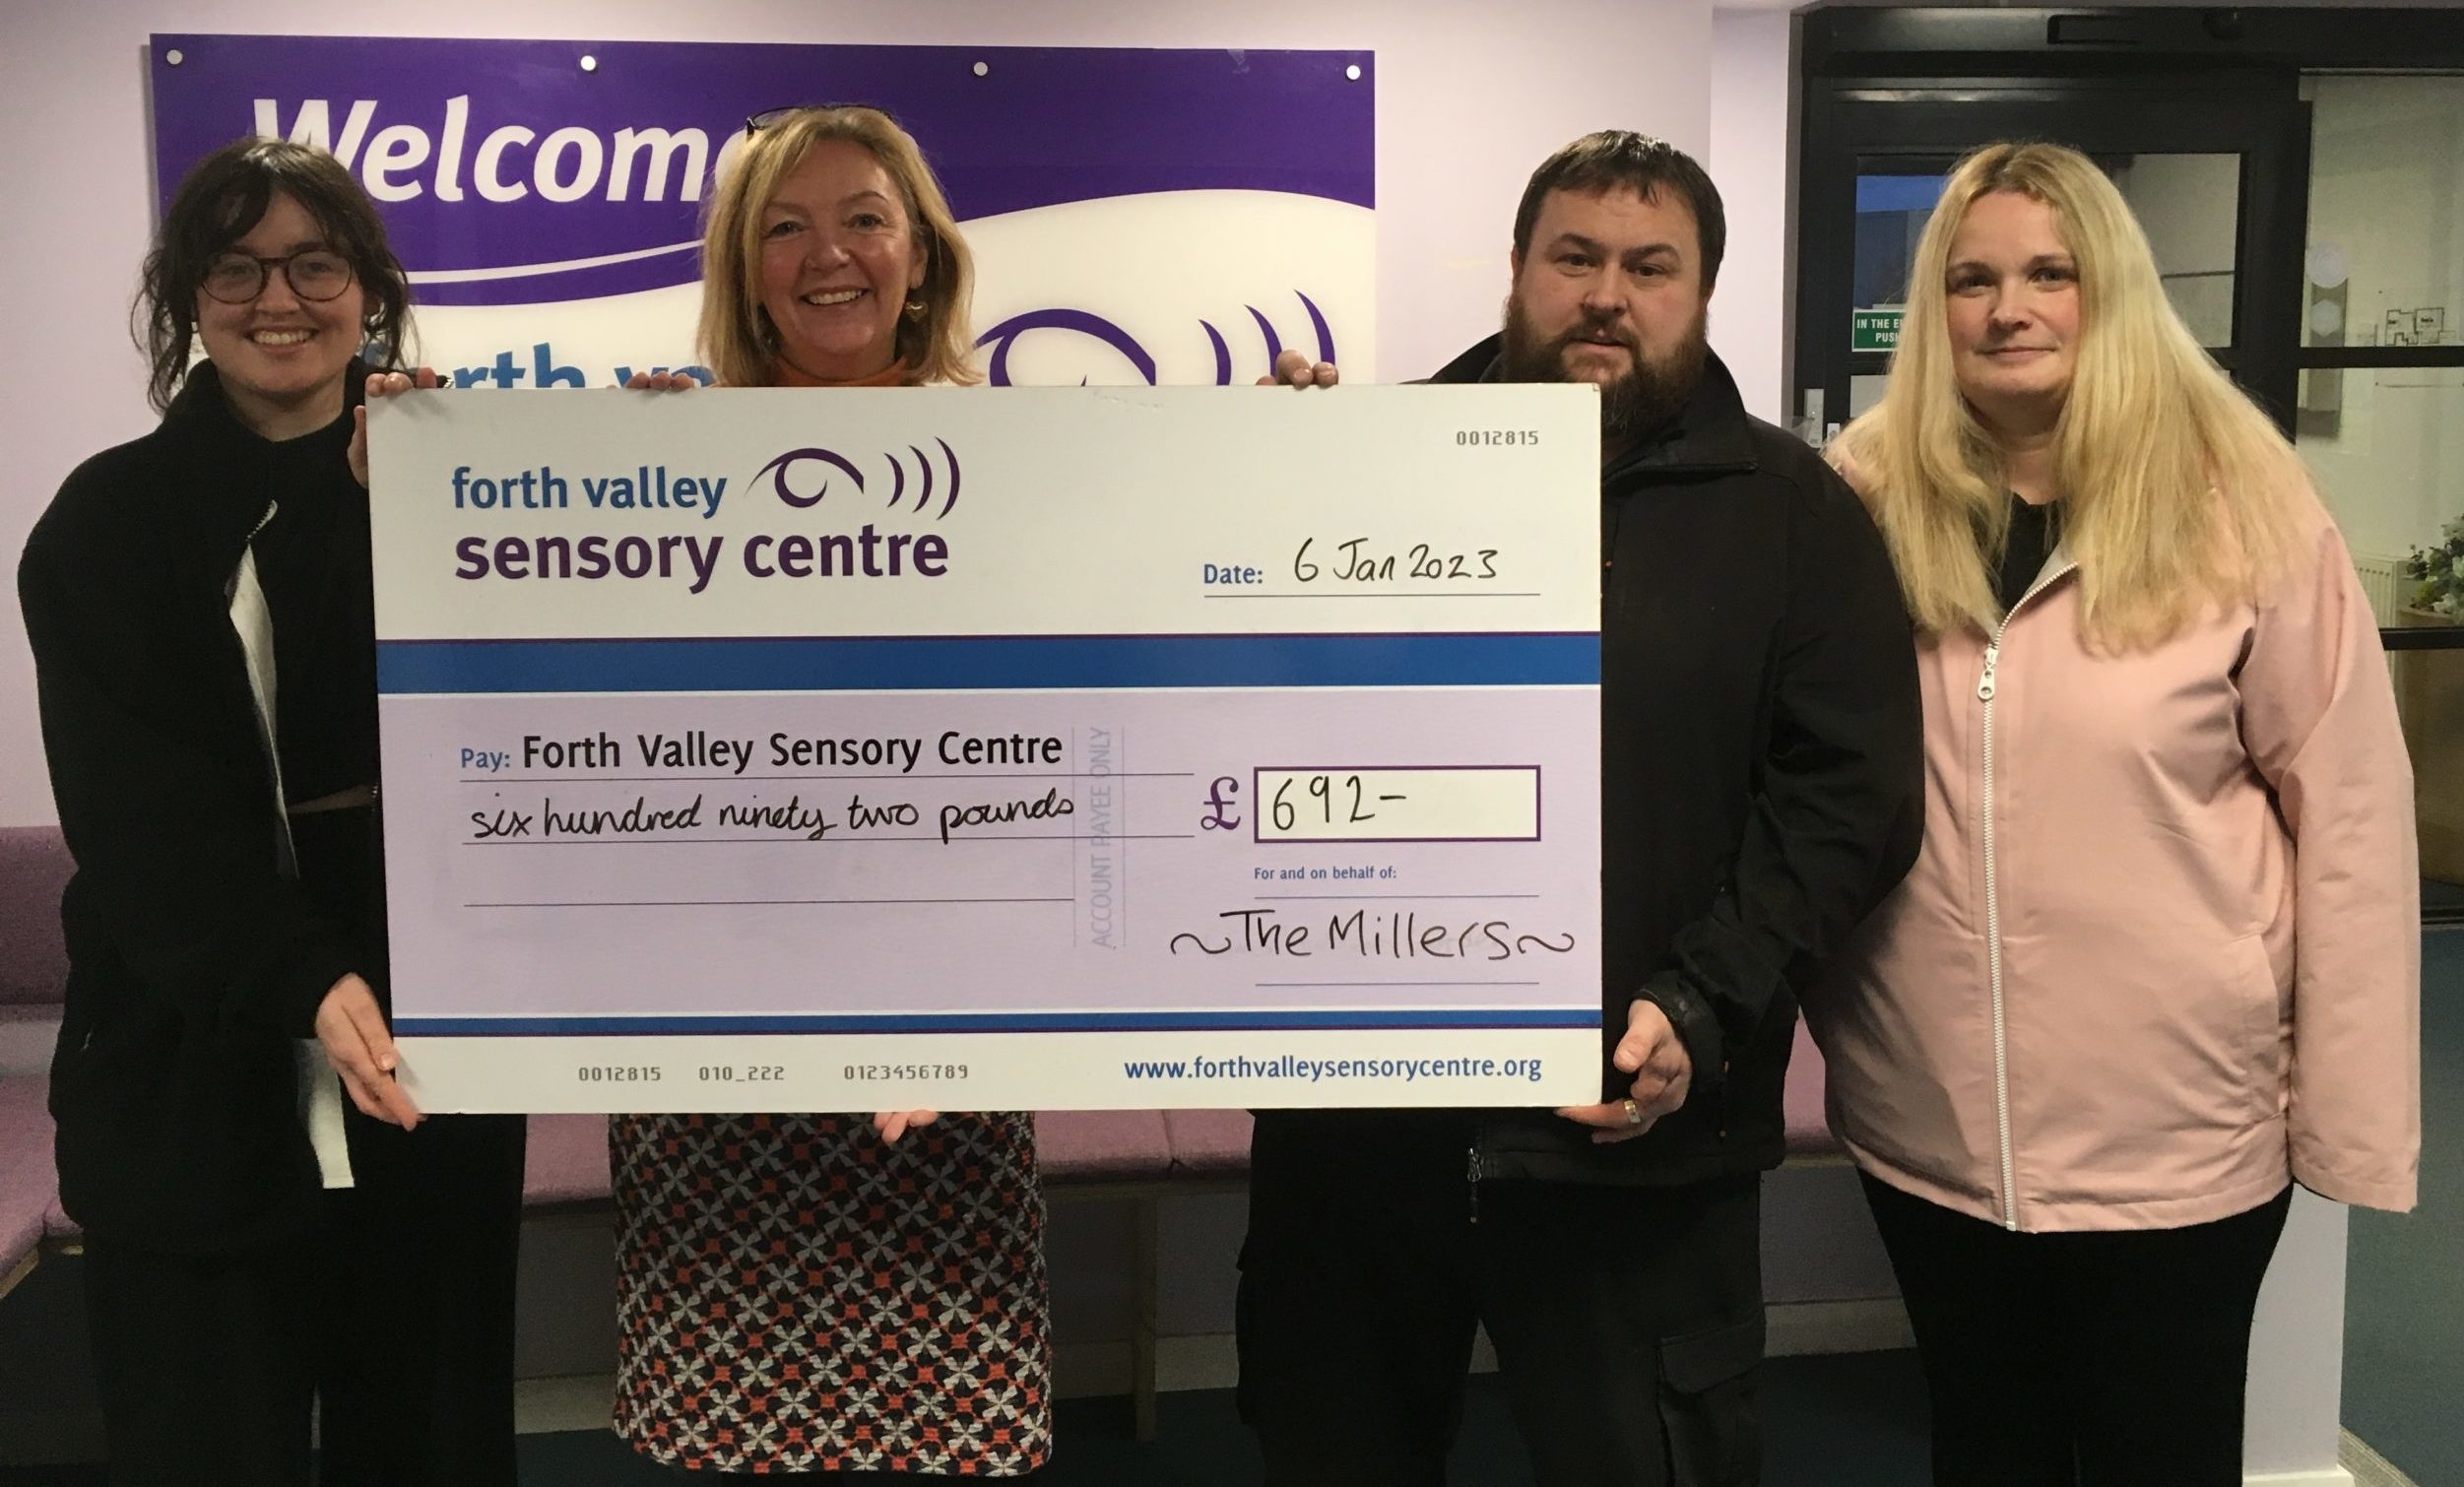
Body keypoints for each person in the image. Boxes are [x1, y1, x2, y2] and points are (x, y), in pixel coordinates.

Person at [1234, 130, 1924, 1487]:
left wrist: (1702, 1004)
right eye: (1574, 257)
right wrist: (1252, 482)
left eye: (1648, 265)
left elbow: (1846, 797)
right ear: (1515, 268)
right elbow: (1227, 726)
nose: (1606, 292)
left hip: (1637, 1139)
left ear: (1701, 290)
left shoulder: (1789, 513)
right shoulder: (1357, 467)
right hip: (1360, 1144)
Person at [1815, 141, 2421, 1486]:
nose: (2005, 308)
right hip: (1932, 1124)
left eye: (2048, 272)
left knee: (2162, 1449)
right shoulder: (1858, 498)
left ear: (2113, 291)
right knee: (1986, 1443)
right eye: (1970, 278)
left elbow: (2354, 820)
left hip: (2176, 1133)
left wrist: (2348, 1115)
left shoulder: (2241, 501)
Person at [17, 138, 527, 1486]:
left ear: (369, 288)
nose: (276, 295)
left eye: (314, 260)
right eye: (234, 266)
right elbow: (145, 830)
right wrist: (299, 974)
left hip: (431, 1077)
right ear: (188, 294)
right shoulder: (106, 525)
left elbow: (562, 730)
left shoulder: (473, 496)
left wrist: (664, 449)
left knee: (427, 1444)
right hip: (188, 1086)